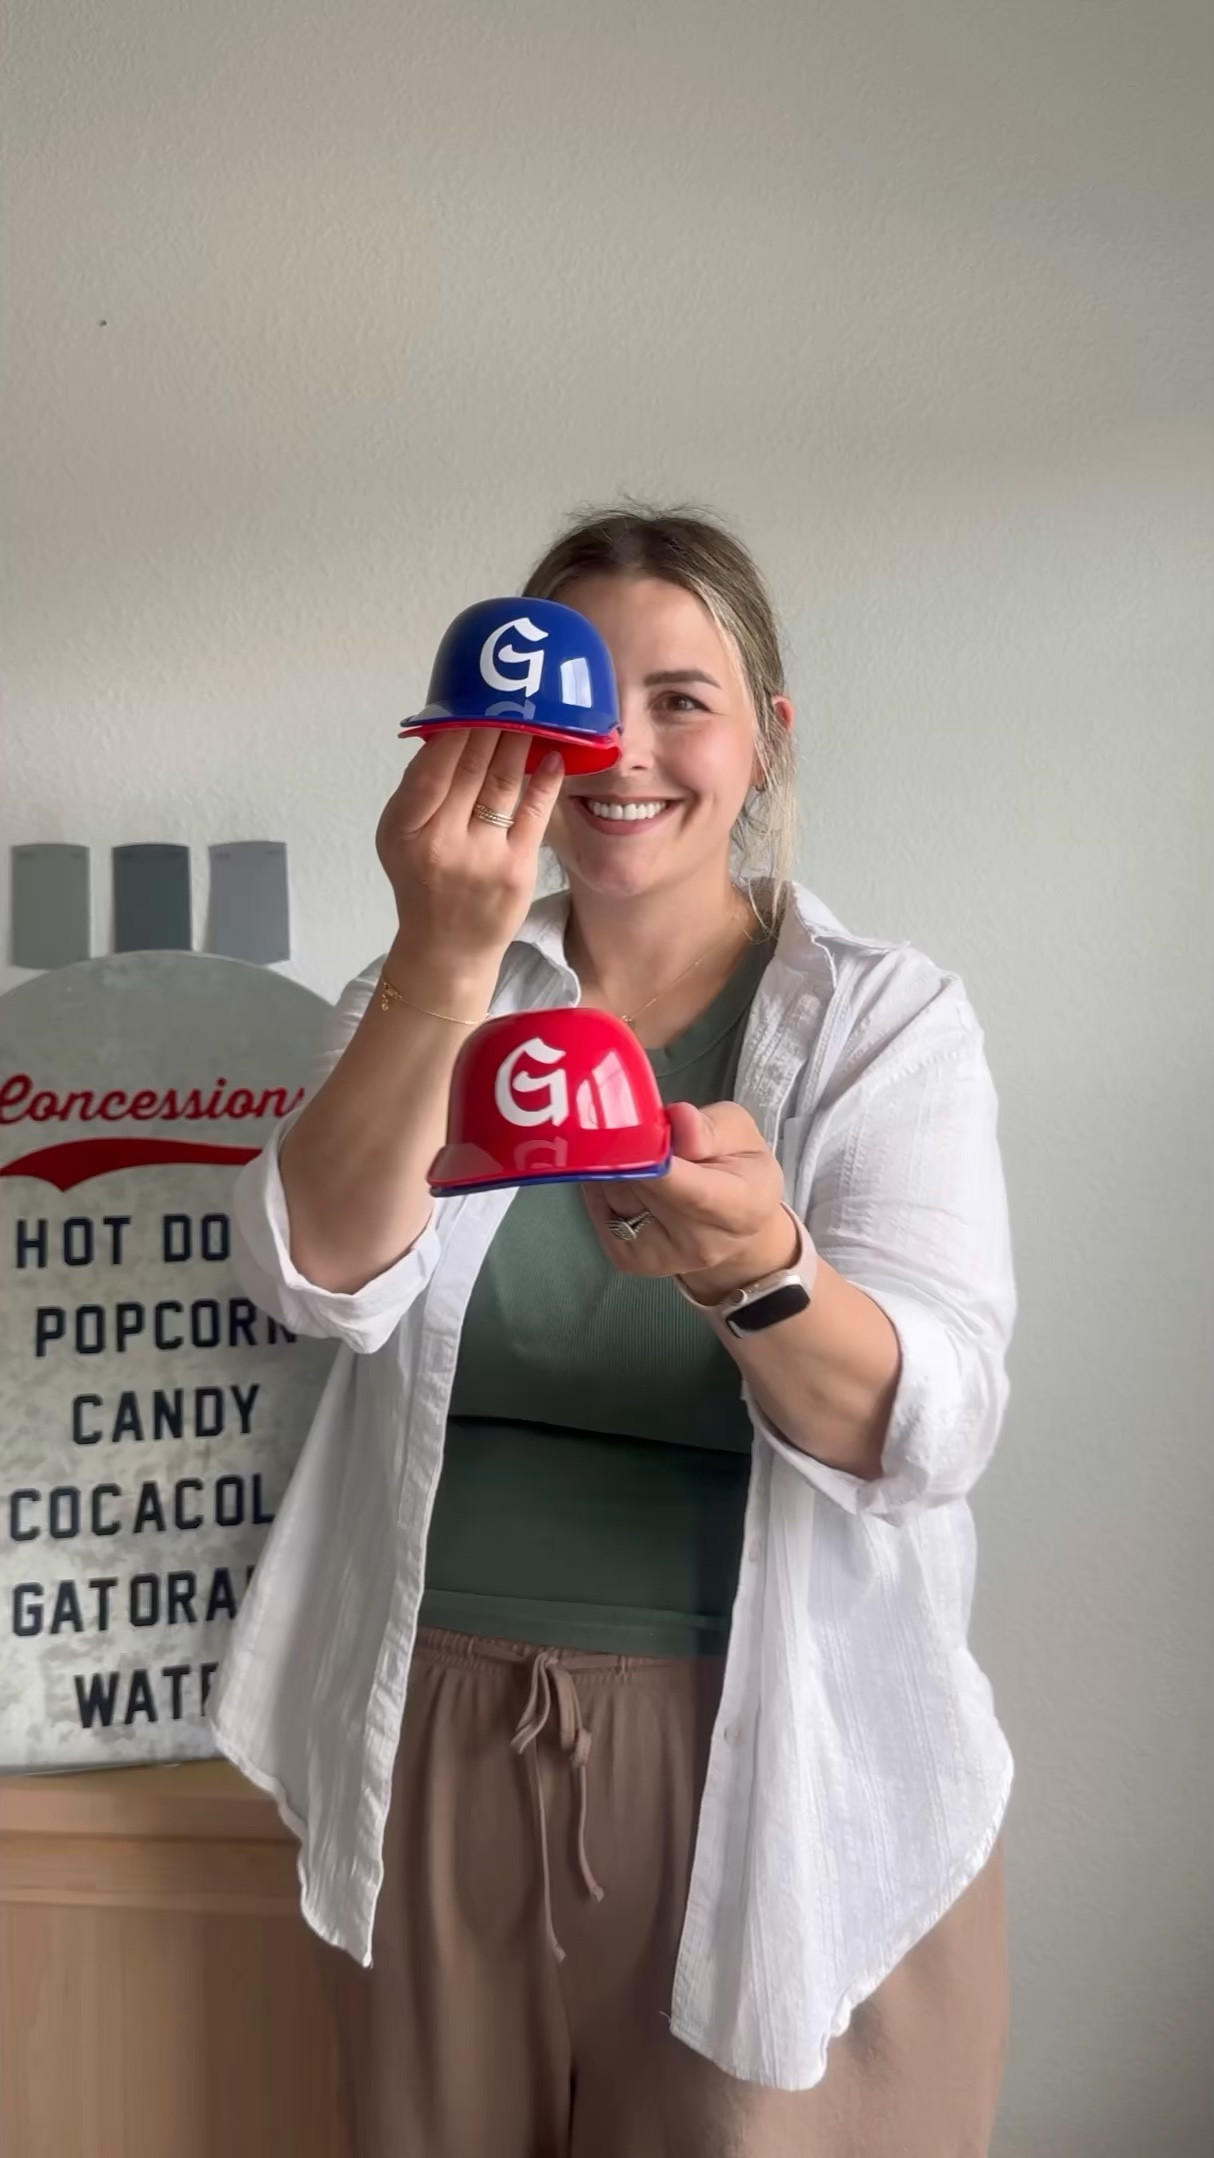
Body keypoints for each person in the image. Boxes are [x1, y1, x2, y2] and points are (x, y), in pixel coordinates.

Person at [211, 506, 1015, 2157]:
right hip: (430, 1739)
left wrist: (758, 1269)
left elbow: (927, 1423)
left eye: (679, 699)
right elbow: (314, 1271)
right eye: (581, 702)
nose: (622, 754)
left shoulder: (881, 1022)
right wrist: (442, 959)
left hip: (766, 1755)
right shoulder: (431, 987)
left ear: (765, 741)